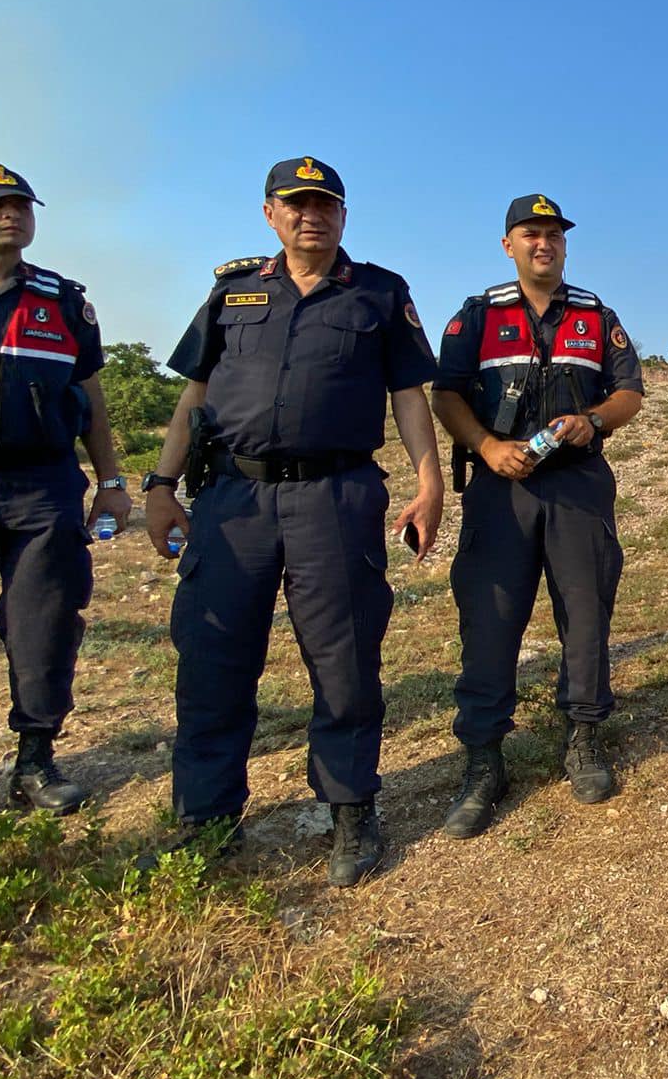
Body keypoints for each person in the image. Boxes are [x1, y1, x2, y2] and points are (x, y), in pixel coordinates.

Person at [143, 157, 443, 888]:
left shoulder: (379, 292)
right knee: (214, 660)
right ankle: (206, 816)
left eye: (326, 205)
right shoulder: (232, 291)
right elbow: (194, 394)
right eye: (296, 204)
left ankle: (349, 807)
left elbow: (408, 395)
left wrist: (429, 480)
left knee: (343, 658)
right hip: (232, 502)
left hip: (333, 498)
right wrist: (159, 483)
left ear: (343, 215)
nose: (313, 216)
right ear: (270, 213)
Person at [430, 195, 644, 838]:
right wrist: (488, 446)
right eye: (531, 234)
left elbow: (630, 390)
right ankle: (483, 759)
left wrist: (594, 420)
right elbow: (445, 394)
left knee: (585, 614)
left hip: (577, 484)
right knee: (490, 622)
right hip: (501, 489)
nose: (543, 243)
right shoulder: (476, 316)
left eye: (553, 234)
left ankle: (582, 736)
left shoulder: (594, 314)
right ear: (509, 245)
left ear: (564, 245)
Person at [0, 163, 130, 815]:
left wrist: (111, 481)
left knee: (44, 623)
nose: (11, 213)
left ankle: (35, 759)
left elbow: (90, 394)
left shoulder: (63, 299)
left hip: (42, 485)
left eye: (20, 204)